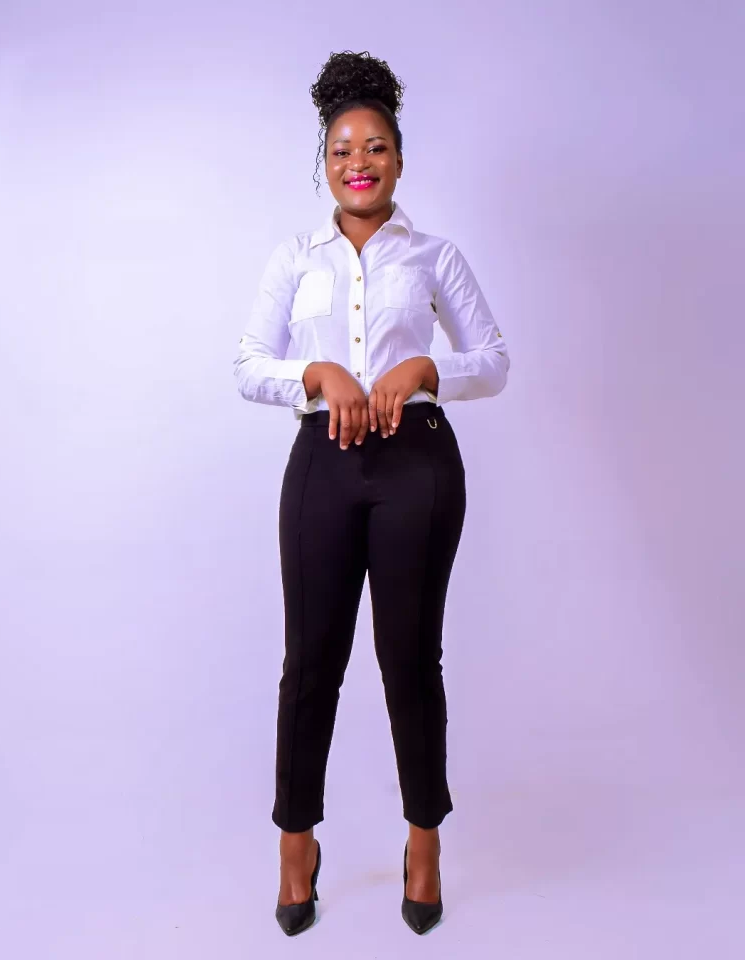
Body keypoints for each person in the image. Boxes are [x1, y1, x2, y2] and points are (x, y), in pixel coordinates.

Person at [234, 50, 509, 937]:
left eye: (376, 146)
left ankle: (424, 843)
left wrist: (426, 366)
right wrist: (315, 374)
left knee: (410, 660)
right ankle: (296, 844)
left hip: (416, 466)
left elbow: (493, 360)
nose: (360, 161)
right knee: (310, 663)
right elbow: (248, 363)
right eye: (343, 149)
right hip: (322, 465)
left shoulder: (433, 256)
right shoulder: (295, 258)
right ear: (325, 162)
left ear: (398, 158)